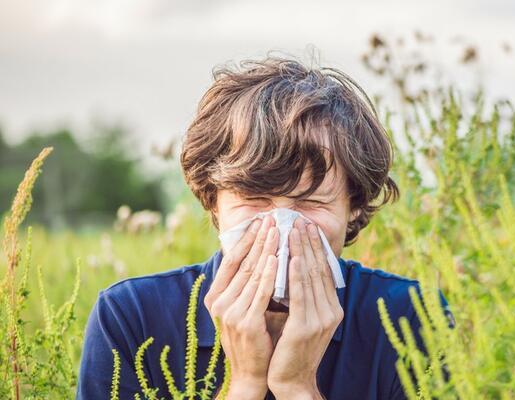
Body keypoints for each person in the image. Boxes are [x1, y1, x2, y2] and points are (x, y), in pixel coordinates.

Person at [76, 54, 455, 399]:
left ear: (353, 208)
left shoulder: (412, 319)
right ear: (213, 201)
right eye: (255, 200)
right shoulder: (131, 318)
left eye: (311, 202)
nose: (281, 228)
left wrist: (297, 387)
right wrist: (244, 384)